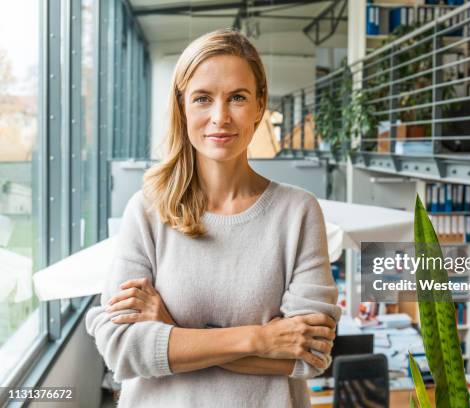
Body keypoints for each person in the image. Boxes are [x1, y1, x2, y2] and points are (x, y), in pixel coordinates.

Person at [85, 28, 341, 407]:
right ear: (183, 106)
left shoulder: (298, 212)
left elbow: (309, 355)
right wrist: (264, 340)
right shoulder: (148, 211)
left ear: (259, 105)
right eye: (203, 98)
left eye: (237, 97)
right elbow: (122, 348)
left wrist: (171, 330)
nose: (220, 117)